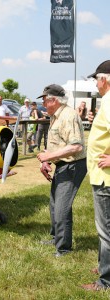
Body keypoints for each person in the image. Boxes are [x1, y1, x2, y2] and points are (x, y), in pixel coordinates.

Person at [36, 84, 87, 257]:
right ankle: (57, 237)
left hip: (73, 165)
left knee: (62, 207)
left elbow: (76, 146)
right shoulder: (55, 116)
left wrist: (48, 158)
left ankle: (63, 248)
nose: (43, 103)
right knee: (54, 203)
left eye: (44, 99)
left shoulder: (68, 115)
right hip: (63, 164)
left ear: (54, 100)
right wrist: (47, 159)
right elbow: (59, 144)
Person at [82, 60, 110, 291]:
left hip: (106, 177)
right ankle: (104, 266)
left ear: (104, 79)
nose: (96, 83)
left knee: (105, 230)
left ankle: (105, 281)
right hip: (103, 175)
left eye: (96, 79)